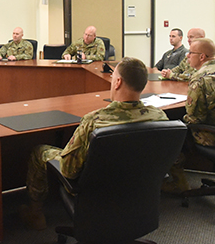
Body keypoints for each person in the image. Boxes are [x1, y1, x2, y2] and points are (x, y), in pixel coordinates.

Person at [20, 57, 168, 230]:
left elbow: (68, 170)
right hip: (138, 189)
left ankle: (35, 214)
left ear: (118, 82)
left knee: (40, 151)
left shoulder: (95, 121)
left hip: (96, 191)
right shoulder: (159, 117)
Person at [162, 38, 215, 194]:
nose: (188, 56)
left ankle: (179, 183)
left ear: (202, 57)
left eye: (191, 53)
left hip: (212, 136)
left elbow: (194, 118)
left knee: (170, 131)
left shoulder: (199, 78)